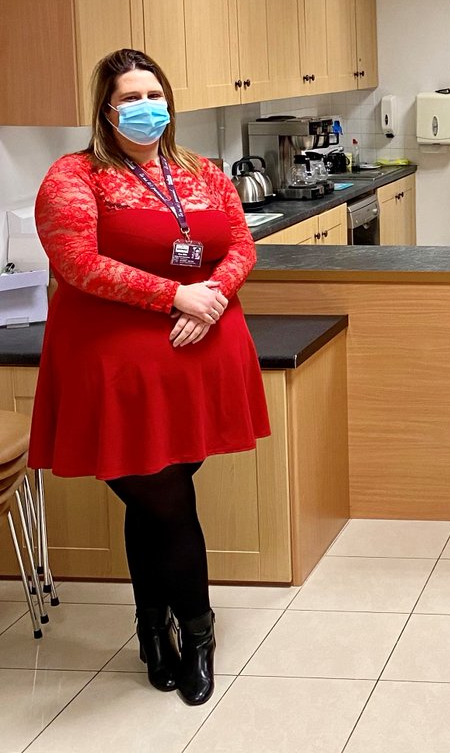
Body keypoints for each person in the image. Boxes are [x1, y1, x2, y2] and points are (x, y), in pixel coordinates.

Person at [30, 49, 270, 704]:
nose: (145, 107)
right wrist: (174, 297)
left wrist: (211, 296)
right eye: (129, 97)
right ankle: (197, 635)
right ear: (105, 110)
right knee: (161, 498)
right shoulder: (73, 175)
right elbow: (76, 262)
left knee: (156, 500)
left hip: (197, 357)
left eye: (153, 93)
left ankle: (150, 628)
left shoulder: (202, 172)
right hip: (116, 367)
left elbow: (241, 246)